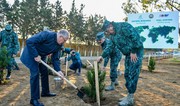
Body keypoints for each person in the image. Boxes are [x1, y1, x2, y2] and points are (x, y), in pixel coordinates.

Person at [97, 20, 144, 106]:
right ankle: (129, 96)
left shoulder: (124, 26)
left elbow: (136, 38)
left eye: (109, 28)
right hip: (128, 54)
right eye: (107, 30)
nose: (109, 30)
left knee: (132, 74)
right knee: (127, 74)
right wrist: (102, 56)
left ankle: (130, 99)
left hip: (136, 52)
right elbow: (109, 47)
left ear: (111, 24)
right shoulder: (112, 36)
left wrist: (133, 51)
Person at [20, 29, 70, 106]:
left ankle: (45, 92)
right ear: (60, 37)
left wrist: (58, 70)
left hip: (41, 56)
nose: (64, 42)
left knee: (44, 71)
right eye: (64, 40)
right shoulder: (46, 34)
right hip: (31, 54)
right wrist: (35, 55)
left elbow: (55, 58)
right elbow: (29, 41)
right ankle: (34, 99)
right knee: (35, 74)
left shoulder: (59, 45)